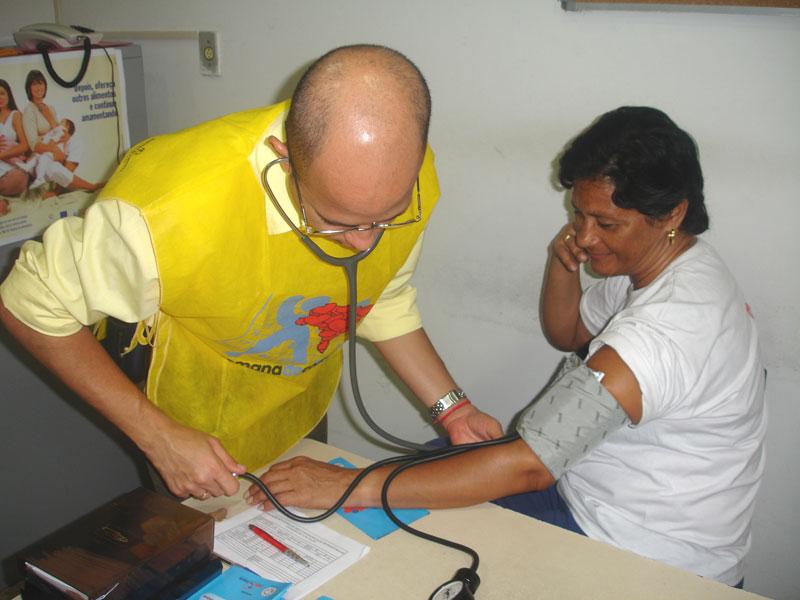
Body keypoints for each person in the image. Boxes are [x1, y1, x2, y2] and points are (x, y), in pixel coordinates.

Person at [247, 106, 766, 588]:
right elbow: (568, 333)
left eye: (606, 224)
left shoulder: (669, 328)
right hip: (587, 494)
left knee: (401, 521)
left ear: (671, 214)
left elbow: (530, 464)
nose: (585, 237)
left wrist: (351, 484)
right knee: (432, 466)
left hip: (644, 554)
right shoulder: (665, 268)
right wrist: (562, 263)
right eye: (579, 215)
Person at [0, 45, 502, 502]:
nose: (365, 244)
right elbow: (26, 304)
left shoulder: (400, 174)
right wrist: (159, 438)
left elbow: (380, 296)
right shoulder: (168, 208)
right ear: (285, 161)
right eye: (337, 221)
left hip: (295, 406)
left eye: (387, 218)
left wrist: (454, 410)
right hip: (190, 430)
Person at [22, 118, 103, 194]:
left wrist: (55, 192)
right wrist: (53, 147)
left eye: (62, 123)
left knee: (53, 167)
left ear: (66, 129)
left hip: (54, 174)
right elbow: (38, 147)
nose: (58, 125)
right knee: (41, 160)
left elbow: (68, 169)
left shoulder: (75, 142)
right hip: (37, 166)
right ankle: (37, 180)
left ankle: (92, 187)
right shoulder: (53, 134)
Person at [0, 78, 30, 197]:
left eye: (2, 93)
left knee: (19, 177)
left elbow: (24, 145)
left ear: (8, 94)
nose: (0, 98)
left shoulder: (15, 115)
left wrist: (2, 155)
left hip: (11, 166)